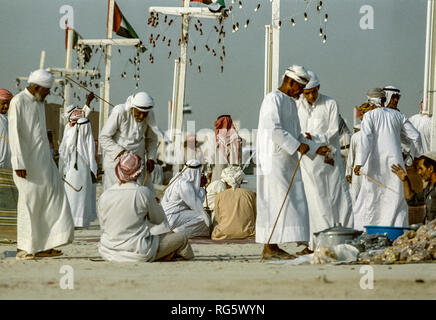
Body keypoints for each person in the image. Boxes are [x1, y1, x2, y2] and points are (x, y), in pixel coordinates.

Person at [256, 65, 330, 260]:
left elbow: (297, 134)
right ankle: (270, 247)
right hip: (273, 160)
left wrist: (315, 148)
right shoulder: (273, 99)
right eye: (299, 88)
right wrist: (297, 146)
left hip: (286, 161)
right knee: (275, 201)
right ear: (290, 82)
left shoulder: (290, 103)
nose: (301, 93)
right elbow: (274, 130)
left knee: (287, 200)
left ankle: (273, 246)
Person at [8, 69, 74, 260]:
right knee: (30, 204)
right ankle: (25, 248)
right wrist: (19, 162)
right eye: (47, 89)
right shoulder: (18, 101)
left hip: (43, 162)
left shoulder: (38, 103)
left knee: (54, 200)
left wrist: (50, 158)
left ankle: (47, 244)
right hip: (25, 165)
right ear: (37, 87)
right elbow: (14, 134)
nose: (48, 93)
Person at [98, 152, 194, 262]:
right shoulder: (143, 193)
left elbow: (103, 225)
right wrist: (154, 204)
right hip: (138, 252)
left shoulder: (105, 195)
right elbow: (158, 220)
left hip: (108, 251)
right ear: (138, 173)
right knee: (181, 238)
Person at [296, 70, 353, 250]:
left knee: (337, 198)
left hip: (329, 158)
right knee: (313, 201)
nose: (311, 96)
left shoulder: (330, 103)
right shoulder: (297, 106)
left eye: (313, 91)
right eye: (307, 93)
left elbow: (333, 131)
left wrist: (314, 138)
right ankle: (314, 244)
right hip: (307, 161)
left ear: (318, 88)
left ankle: (343, 237)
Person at [353, 88, 423, 230]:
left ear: (370, 101)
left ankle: (371, 233)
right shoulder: (398, 116)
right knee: (396, 200)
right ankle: (395, 234)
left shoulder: (369, 116)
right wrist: (413, 157)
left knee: (373, 200)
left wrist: (359, 162)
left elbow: (366, 139)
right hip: (396, 166)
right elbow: (416, 136)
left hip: (374, 166)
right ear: (384, 100)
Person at [99, 91, 165, 191]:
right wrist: (122, 153)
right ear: (132, 108)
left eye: (144, 114)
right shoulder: (119, 112)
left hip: (138, 164)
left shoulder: (149, 114)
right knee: (115, 195)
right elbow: (104, 137)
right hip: (116, 162)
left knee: (139, 193)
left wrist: (151, 158)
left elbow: (152, 140)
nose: (142, 117)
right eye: (139, 113)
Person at [59, 113, 97, 229]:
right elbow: (63, 151)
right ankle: (73, 221)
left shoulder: (78, 135)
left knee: (81, 197)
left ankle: (79, 222)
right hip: (75, 169)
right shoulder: (71, 134)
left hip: (80, 170)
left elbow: (91, 156)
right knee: (73, 196)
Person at [161, 159, 211, 238]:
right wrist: (201, 187)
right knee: (204, 219)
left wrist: (199, 186)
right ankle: (175, 233)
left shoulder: (177, 178)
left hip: (168, 216)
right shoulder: (184, 184)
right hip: (172, 217)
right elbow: (196, 206)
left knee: (204, 217)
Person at [211, 166, 256, 240]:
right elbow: (255, 215)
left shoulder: (219, 196)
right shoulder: (250, 194)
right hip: (248, 234)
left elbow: (218, 218)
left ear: (225, 181)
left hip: (222, 234)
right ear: (241, 181)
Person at [345, 103, 377, 205]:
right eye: (363, 114)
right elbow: (351, 156)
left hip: (372, 171)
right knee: (355, 197)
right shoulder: (356, 136)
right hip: (357, 172)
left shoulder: (377, 135)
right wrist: (348, 173)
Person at [391, 153, 436, 223]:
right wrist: (405, 180)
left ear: (431, 168)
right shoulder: (428, 189)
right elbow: (411, 200)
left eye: (421, 168)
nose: (419, 172)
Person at [205, 115, 241, 182]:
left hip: (219, 173)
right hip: (233, 175)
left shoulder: (214, 137)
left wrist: (209, 171)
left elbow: (211, 156)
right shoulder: (236, 138)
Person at [0, 89, 13, 169]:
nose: (6, 106)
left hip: (8, 167)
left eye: (8, 104)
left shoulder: (9, 119)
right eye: (4, 103)